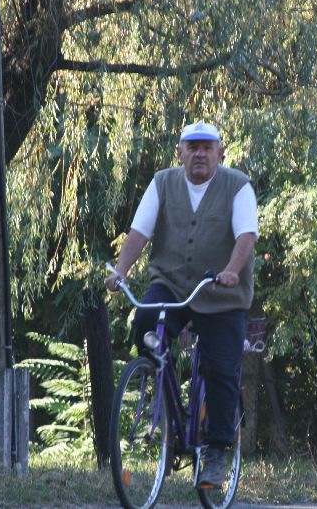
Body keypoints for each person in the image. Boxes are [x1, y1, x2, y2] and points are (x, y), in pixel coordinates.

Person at [105, 121, 258, 488]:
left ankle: (216, 452)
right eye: (192, 147)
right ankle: (161, 381)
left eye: (207, 147)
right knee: (145, 322)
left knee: (221, 370)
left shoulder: (238, 186)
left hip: (221, 294)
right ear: (180, 152)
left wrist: (232, 271)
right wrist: (120, 272)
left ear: (220, 152)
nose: (200, 154)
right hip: (172, 286)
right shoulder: (162, 183)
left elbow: (246, 236)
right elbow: (140, 231)